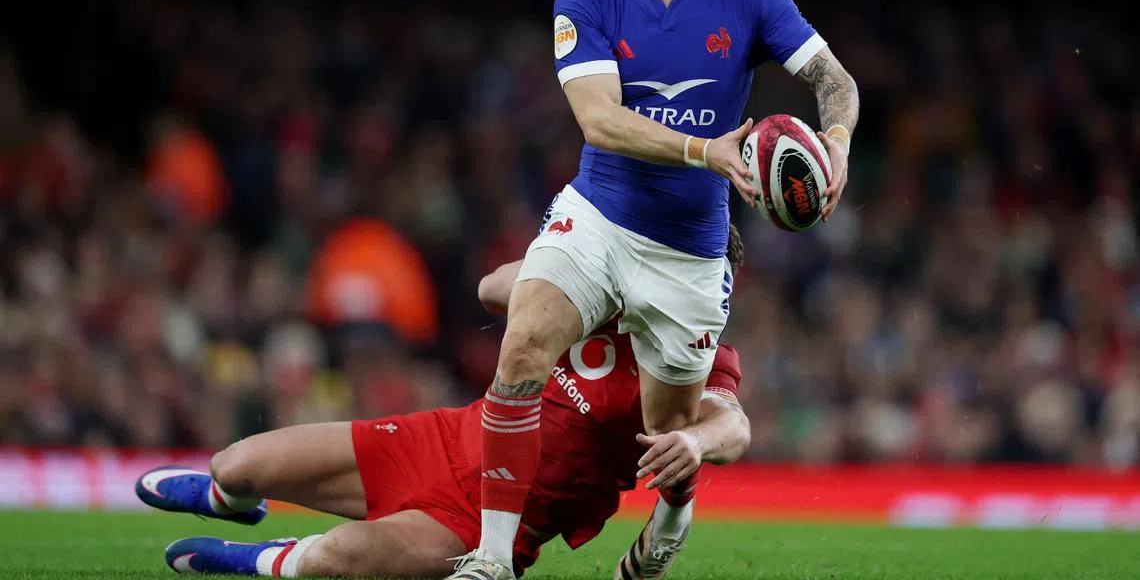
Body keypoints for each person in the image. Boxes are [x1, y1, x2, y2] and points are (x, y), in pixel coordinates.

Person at [449, 0, 860, 580]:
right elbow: (600, 121)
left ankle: (669, 523)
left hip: (691, 252)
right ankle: (489, 560)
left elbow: (835, 81)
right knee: (522, 349)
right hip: (599, 215)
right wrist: (710, 152)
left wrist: (836, 143)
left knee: (668, 431)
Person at [137, 225, 751, 580]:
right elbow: (490, 289)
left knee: (343, 557)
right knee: (234, 466)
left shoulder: (699, 360)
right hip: (442, 441)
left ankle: (255, 561)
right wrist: (581, 273)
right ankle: (231, 502)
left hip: (491, 521)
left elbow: (733, 424)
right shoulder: (595, 291)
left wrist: (695, 442)